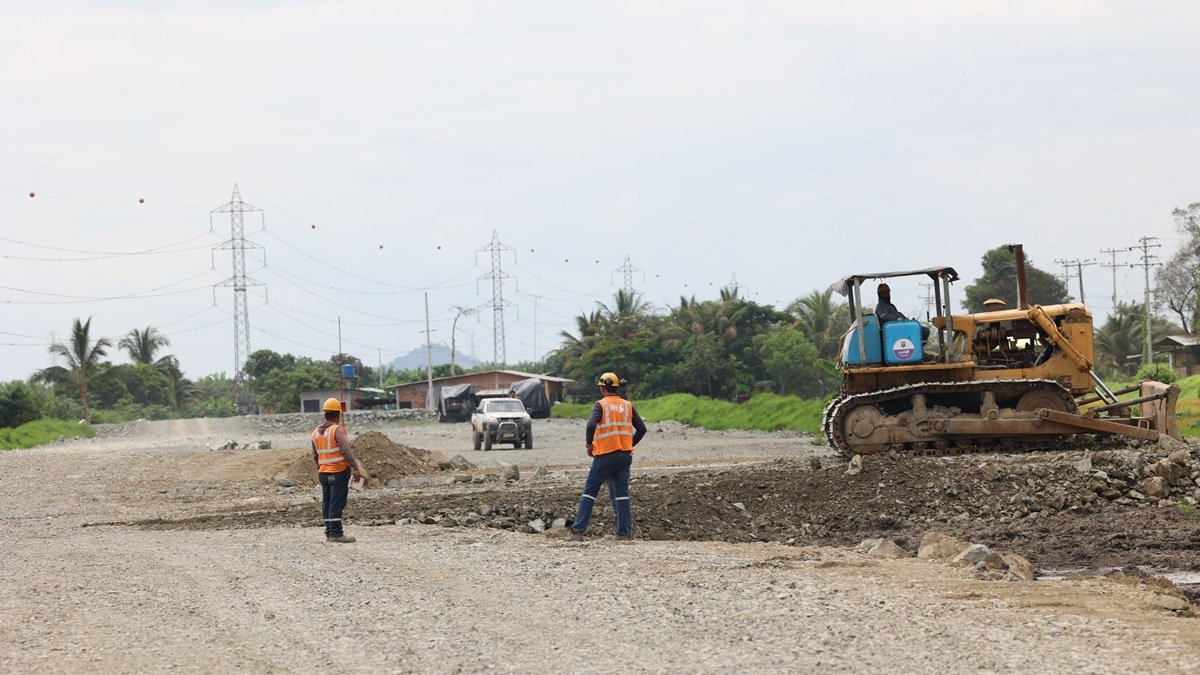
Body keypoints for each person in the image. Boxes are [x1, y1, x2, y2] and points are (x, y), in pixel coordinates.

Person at [568, 372, 647, 542]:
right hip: (624, 456)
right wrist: (628, 444)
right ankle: (623, 533)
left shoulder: (601, 405)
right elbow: (642, 429)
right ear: (617, 387)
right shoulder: (627, 405)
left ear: (603, 388)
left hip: (605, 456)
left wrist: (590, 445)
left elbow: (590, 425)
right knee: (622, 494)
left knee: (589, 492)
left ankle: (577, 531)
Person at [312, 397, 369, 543]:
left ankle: (329, 532)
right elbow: (345, 450)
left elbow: (315, 455)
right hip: (337, 472)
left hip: (323, 473)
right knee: (336, 502)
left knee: (327, 502)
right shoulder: (337, 430)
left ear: (325, 413)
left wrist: (322, 468)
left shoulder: (315, 433)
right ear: (338, 414)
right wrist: (355, 468)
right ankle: (336, 534)